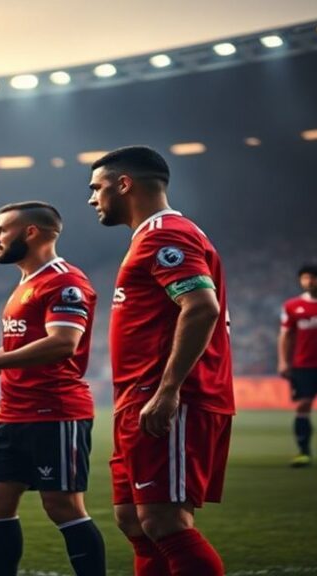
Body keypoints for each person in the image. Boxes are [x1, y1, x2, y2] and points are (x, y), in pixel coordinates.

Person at [0, 201, 106, 576]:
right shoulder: (25, 284)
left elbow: (63, 342)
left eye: (1, 230)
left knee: (63, 506)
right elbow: (17, 350)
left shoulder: (65, 281)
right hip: (13, 412)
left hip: (55, 410)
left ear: (31, 232)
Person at [87, 146, 233, 576]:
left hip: (169, 399)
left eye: (97, 188)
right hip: (139, 398)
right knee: (134, 520)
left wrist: (168, 391)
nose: (93, 198)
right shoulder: (152, 236)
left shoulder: (164, 234)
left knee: (164, 521)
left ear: (124, 184)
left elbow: (201, 307)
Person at [278, 263, 317, 468]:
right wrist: (283, 361)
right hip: (304, 366)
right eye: (304, 278)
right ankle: (304, 452)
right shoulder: (292, 305)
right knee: (303, 405)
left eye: (311, 278)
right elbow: (285, 335)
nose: (307, 281)